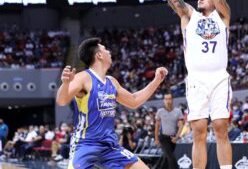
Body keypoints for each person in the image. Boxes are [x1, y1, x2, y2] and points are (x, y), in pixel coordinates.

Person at [56, 38, 168, 169]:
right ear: (98, 55)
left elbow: (134, 101)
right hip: (86, 144)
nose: (109, 52)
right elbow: (62, 100)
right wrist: (65, 83)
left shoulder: (112, 82)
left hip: (109, 146)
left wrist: (156, 80)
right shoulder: (83, 78)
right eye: (105, 49)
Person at [162, 0, 233, 168]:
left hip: (219, 77)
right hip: (196, 79)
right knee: (199, 131)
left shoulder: (223, 16)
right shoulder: (188, 15)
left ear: (215, 0)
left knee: (221, 127)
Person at [154, 92, 184, 169]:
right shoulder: (160, 111)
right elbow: (157, 126)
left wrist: (177, 137)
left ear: (172, 100)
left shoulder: (178, 111)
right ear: (164, 100)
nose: (168, 101)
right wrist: (156, 139)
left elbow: (181, 125)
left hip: (173, 138)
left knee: (166, 157)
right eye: (166, 99)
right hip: (163, 138)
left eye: (169, 99)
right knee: (170, 156)